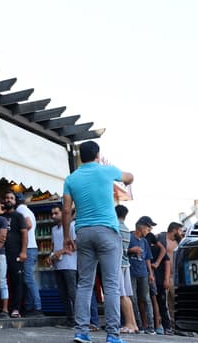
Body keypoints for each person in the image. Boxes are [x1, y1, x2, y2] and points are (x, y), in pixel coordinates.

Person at [62, 140, 134, 343]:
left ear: (79, 157)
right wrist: (128, 181)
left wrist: (67, 237)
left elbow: (66, 209)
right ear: (97, 155)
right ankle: (112, 334)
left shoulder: (71, 178)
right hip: (108, 232)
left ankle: (82, 332)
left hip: (83, 232)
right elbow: (129, 176)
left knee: (84, 284)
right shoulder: (106, 171)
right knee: (111, 285)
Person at [48, 204, 77, 329]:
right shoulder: (54, 229)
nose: (53, 216)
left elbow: (75, 245)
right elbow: (54, 246)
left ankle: (79, 321)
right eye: (52, 213)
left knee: (72, 293)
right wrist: (50, 257)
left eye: (56, 213)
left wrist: (60, 252)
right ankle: (70, 320)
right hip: (58, 265)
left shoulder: (72, 226)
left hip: (70, 265)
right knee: (63, 295)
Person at [15, 192, 42, 317]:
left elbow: (28, 225)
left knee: (28, 279)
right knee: (28, 278)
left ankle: (37, 307)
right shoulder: (29, 210)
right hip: (32, 247)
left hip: (28, 248)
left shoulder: (20, 210)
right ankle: (30, 306)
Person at [128, 216, 156, 335]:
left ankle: (151, 326)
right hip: (130, 272)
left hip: (143, 273)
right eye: (148, 229)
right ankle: (138, 325)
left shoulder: (144, 241)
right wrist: (130, 250)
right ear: (142, 227)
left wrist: (150, 273)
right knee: (133, 299)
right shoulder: (129, 237)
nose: (149, 231)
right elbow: (120, 251)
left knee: (146, 299)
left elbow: (148, 258)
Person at [2, 191, 27, 318]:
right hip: (2, 254)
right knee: (3, 282)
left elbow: (24, 233)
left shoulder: (19, 216)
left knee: (17, 282)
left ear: (15, 201)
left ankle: (16, 309)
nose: (8, 200)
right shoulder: (1, 216)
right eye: (6, 197)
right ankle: (5, 309)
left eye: (11, 198)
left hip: (15, 253)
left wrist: (23, 251)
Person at [114, 205, 138, 334]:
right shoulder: (126, 229)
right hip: (126, 263)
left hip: (118, 264)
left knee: (122, 295)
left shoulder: (116, 227)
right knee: (126, 295)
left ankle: (129, 324)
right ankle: (133, 324)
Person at [147, 222, 171, 334]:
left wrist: (166, 279)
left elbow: (167, 262)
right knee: (152, 302)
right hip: (150, 279)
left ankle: (166, 327)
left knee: (161, 303)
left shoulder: (156, 249)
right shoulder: (147, 249)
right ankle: (158, 325)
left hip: (160, 280)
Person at [162, 222, 184, 331]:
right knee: (166, 304)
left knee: (177, 303)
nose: (181, 232)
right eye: (180, 230)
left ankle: (178, 326)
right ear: (174, 230)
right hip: (165, 276)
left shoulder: (179, 241)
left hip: (176, 278)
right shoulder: (162, 239)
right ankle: (170, 325)